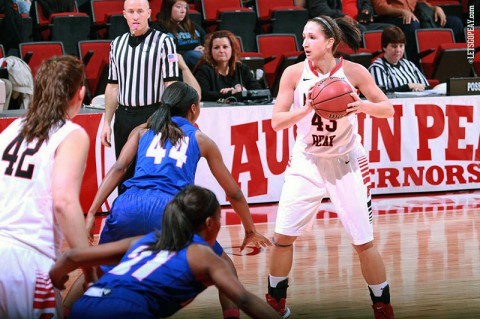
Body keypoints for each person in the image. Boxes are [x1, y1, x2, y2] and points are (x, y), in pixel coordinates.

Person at [265, 16, 395, 319]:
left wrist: (362, 105)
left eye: (311, 38)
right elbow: (276, 122)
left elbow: (387, 108)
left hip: (346, 162)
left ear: (329, 43)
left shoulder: (354, 72)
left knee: (364, 242)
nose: (304, 43)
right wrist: (307, 108)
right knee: (282, 237)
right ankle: (275, 303)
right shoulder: (294, 73)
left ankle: (383, 307)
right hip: (307, 161)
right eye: (303, 37)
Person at [50, 185, 281, 319]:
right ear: (210, 223)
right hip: (128, 311)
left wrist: (57, 278)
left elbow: (72, 256)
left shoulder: (145, 240)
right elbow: (244, 299)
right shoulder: (204, 256)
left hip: (87, 305)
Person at [0, 55, 95, 318]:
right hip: (28, 263)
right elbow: (64, 202)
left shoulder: (9, 131)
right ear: (81, 93)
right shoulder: (70, 133)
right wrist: (87, 267)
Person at [101, 0, 181, 192]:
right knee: (123, 173)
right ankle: (125, 219)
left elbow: (171, 84)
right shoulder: (116, 44)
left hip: (153, 115)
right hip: (124, 117)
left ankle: (154, 218)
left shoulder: (164, 41)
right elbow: (112, 86)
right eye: (131, 11)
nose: (135, 16)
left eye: (139, 11)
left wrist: (169, 116)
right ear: (124, 14)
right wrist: (106, 122)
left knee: (153, 172)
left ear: (148, 13)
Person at [371, 0, 464, 65]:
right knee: (412, 24)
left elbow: (421, 2)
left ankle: (459, 61)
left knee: (455, 22)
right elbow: (381, 7)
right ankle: (412, 63)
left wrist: (435, 8)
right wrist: (402, 12)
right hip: (394, 17)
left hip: (417, 15)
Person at [194, 30, 263, 102]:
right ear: (210, 51)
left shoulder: (241, 68)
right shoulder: (204, 69)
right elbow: (203, 95)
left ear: (232, 49)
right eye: (216, 47)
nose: (221, 50)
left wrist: (244, 92)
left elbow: (260, 92)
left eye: (225, 47)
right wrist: (231, 93)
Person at [369, 26, 429, 92]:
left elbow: (427, 87)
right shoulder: (377, 67)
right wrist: (408, 86)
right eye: (394, 46)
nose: (398, 50)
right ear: (384, 47)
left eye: (401, 46)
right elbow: (380, 93)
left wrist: (419, 88)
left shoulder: (409, 65)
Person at [152, 0, 206, 70]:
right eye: (179, 7)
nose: (183, 11)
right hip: (176, 62)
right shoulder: (158, 28)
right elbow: (161, 53)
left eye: (185, 7)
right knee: (194, 55)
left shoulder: (193, 26)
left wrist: (205, 50)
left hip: (198, 59)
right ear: (168, 8)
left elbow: (205, 42)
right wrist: (189, 52)